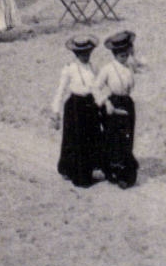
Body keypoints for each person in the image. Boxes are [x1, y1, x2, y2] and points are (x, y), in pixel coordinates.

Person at [49, 35, 102, 187]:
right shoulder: (69, 69)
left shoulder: (93, 68)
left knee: (90, 139)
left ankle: (89, 169)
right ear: (76, 54)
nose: (86, 56)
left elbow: (96, 88)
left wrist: (101, 103)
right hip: (75, 107)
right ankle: (76, 174)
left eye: (88, 53)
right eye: (82, 53)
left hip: (90, 106)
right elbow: (60, 90)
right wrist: (55, 111)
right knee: (75, 140)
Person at [94, 30, 140, 188]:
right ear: (114, 54)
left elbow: (142, 63)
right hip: (113, 104)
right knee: (115, 139)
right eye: (121, 54)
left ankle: (126, 172)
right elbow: (96, 88)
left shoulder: (129, 66)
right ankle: (116, 173)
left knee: (128, 138)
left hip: (127, 103)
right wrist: (106, 102)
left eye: (126, 54)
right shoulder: (107, 69)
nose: (124, 57)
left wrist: (133, 53)